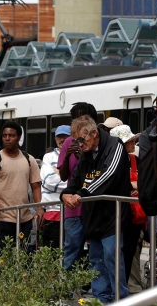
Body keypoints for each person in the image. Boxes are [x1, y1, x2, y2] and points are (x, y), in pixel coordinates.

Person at [60, 115, 130, 303]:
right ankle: (101, 300)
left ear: (93, 133)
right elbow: (75, 179)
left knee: (112, 258)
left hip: (112, 217)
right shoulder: (86, 153)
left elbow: (109, 174)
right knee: (96, 261)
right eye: (76, 141)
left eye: (82, 140)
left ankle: (121, 300)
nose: (79, 145)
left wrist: (82, 193)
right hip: (92, 217)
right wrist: (66, 194)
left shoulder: (115, 145)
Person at [0, 121, 43, 257]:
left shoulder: (29, 159)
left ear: (19, 137)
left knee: (23, 257)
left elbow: (35, 186)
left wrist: (39, 207)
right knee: (2, 259)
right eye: (4, 136)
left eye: (11, 135)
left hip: (24, 218)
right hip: (1, 218)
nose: (7, 139)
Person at [57, 102, 99, 270]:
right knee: (72, 251)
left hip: (94, 207)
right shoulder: (68, 141)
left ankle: (97, 290)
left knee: (96, 252)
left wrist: (83, 154)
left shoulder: (95, 141)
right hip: (74, 208)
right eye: (74, 118)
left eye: (81, 117)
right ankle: (65, 292)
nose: (77, 121)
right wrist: (67, 157)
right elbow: (63, 176)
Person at [110, 124, 144, 294]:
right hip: (118, 215)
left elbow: (145, 181)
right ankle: (116, 289)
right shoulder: (111, 160)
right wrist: (134, 185)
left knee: (130, 251)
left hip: (135, 216)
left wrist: (139, 187)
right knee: (116, 253)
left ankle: (124, 290)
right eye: (129, 140)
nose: (133, 142)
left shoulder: (135, 159)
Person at [39, 125, 71, 248]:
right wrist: (73, 183)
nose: (62, 140)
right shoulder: (49, 157)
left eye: (65, 136)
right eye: (59, 137)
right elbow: (48, 181)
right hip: (53, 213)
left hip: (74, 212)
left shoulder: (79, 154)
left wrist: (59, 175)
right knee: (52, 252)